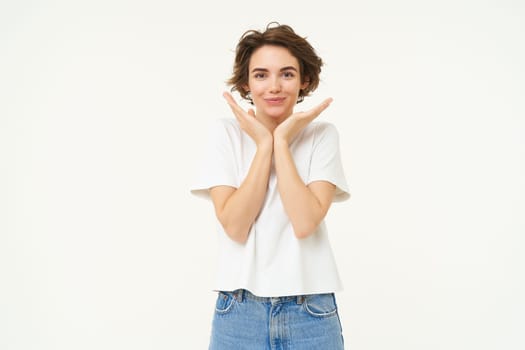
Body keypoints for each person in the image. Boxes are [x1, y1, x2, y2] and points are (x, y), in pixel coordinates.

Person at [191, 22, 350, 349]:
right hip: (239, 310)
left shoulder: (322, 136)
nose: (274, 86)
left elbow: (305, 222)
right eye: (261, 75)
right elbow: (235, 226)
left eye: (287, 74)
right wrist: (264, 146)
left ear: (304, 80)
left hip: (311, 311)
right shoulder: (226, 134)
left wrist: (280, 142)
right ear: (247, 83)